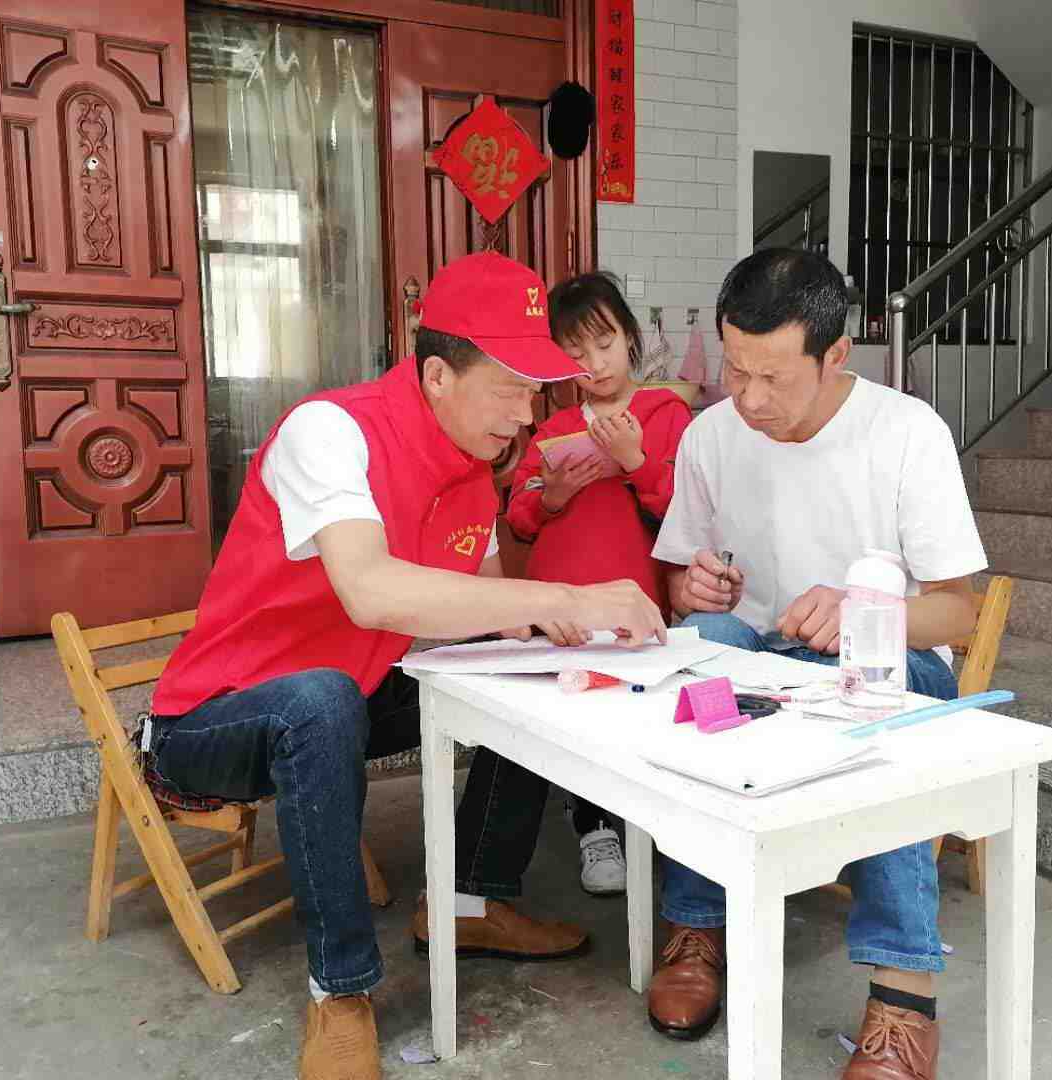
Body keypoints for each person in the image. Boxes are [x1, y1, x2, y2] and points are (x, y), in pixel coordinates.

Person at [146, 251, 666, 1080]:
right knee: (319, 702)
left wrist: (570, 629)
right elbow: (371, 592)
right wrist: (563, 594)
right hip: (213, 720)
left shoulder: (475, 477)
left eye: (536, 391)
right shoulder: (331, 431)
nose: (528, 414)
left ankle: (467, 900)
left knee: (520, 676)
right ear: (436, 376)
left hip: (345, 700)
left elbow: (494, 615)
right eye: (510, 390)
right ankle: (339, 991)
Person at [648, 247, 987, 1080]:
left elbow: (959, 611)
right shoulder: (709, 435)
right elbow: (675, 583)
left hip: (890, 666)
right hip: (759, 654)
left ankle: (904, 1002)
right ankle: (696, 926)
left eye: (773, 377)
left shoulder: (906, 432)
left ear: (836, 354)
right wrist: (692, 585)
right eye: (736, 369)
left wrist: (867, 613)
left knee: (884, 694)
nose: (750, 398)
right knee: (702, 653)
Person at [506, 272, 692, 896]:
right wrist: (551, 497)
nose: (595, 363)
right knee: (572, 702)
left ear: (629, 335)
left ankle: (638, 816)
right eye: (576, 353)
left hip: (632, 589)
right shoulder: (552, 429)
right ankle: (595, 826)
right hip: (558, 590)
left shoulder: (665, 413)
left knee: (630, 702)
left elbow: (685, 511)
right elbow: (519, 518)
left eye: (605, 343)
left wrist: (636, 461)